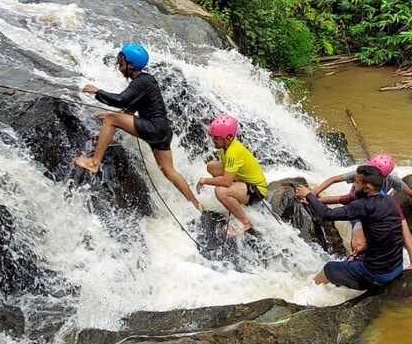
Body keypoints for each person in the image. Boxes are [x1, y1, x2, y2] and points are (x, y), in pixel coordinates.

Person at [75, 42, 200, 211]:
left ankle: (94, 163)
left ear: (131, 65)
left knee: (111, 119)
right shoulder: (145, 80)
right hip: (162, 130)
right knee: (169, 171)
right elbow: (132, 105)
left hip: (153, 127)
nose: (119, 66)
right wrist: (120, 114)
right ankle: (196, 204)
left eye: (121, 63)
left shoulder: (142, 81)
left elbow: (122, 99)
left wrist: (97, 92)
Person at [296, 164, 412, 290]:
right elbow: (387, 234)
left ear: (367, 188)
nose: (353, 186)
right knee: (355, 258)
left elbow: (326, 214)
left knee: (329, 268)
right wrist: (365, 247)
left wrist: (309, 195)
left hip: (377, 276)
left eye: (356, 183)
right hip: (396, 268)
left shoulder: (363, 205)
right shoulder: (390, 201)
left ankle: (307, 293)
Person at [196, 115, 268, 236]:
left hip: (256, 190)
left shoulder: (233, 152)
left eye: (216, 138)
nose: (213, 141)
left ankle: (245, 223)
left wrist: (205, 180)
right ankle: (234, 198)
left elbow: (226, 182)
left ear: (228, 138)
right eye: (213, 137)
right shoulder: (226, 145)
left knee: (221, 191)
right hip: (244, 180)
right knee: (211, 166)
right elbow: (224, 170)